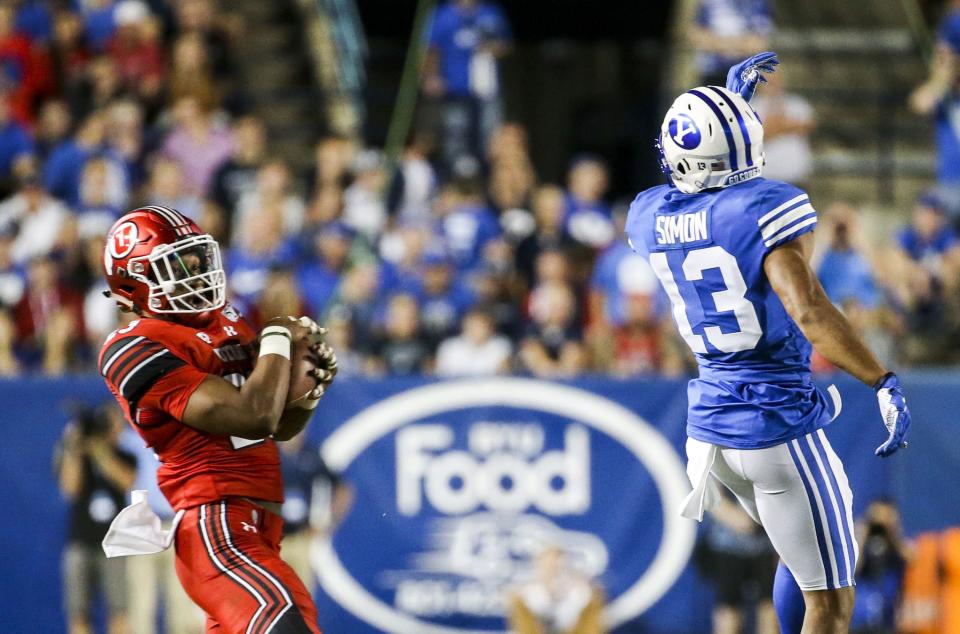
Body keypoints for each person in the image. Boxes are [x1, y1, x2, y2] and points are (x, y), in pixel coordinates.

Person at [625, 53, 912, 633]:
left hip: (711, 426)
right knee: (830, 603)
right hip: (774, 419)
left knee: (800, 557)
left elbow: (698, 197)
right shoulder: (761, 207)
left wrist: (730, 120)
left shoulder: (648, 214)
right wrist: (880, 379)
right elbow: (806, 308)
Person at [97, 205, 338, 633]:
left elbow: (278, 426)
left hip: (260, 525)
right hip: (217, 526)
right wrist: (279, 334)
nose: (196, 272)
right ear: (136, 278)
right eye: (179, 265)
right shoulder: (133, 346)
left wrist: (307, 392)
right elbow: (254, 416)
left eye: (197, 259)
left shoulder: (224, 319)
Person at [56, 402, 137, 634]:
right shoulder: (76, 455)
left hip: (114, 545)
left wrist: (100, 449)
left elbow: (126, 480)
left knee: (119, 610)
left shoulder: (125, 455)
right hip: (80, 542)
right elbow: (70, 488)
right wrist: (74, 448)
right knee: (78, 612)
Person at [278, 433, 353, 593]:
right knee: (269, 595)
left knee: (302, 595)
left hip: (301, 537)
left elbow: (342, 489)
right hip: (270, 538)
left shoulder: (310, 454)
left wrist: (330, 522)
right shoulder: (267, 453)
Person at [508, 545, 605, 634]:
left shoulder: (583, 595)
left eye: (558, 567)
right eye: (548, 566)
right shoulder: (525, 596)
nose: (554, 571)